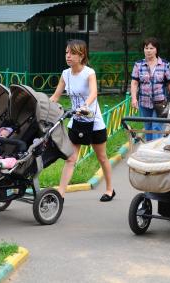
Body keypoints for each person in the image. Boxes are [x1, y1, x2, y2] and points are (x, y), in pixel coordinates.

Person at [50, 39, 115, 202]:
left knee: (101, 157)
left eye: (72, 53)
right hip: (77, 121)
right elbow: (56, 96)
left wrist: (86, 105)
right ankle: (61, 194)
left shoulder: (89, 73)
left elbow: (94, 93)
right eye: (66, 52)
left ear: (81, 55)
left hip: (94, 122)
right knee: (71, 158)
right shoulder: (65, 74)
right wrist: (42, 105)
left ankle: (109, 189)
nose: (68, 56)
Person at [130, 37, 170, 141]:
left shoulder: (164, 64)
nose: (148, 51)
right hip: (144, 102)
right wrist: (133, 98)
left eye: (151, 48)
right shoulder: (139, 65)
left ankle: (156, 150)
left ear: (156, 50)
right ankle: (149, 148)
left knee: (157, 127)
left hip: (160, 102)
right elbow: (134, 82)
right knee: (148, 127)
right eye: (146, 48)